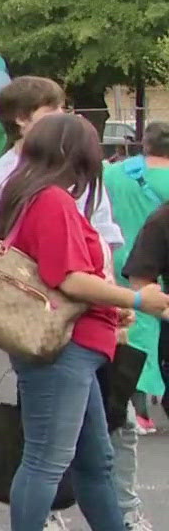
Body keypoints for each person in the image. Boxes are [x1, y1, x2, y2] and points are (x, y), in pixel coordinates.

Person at [0, 113, 169, 531]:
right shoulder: (52, 200)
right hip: (65, 347)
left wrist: (113, 305)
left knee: (94, 459)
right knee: (46, 461)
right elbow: (67, 277)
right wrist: (137, 298)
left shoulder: (27, 193)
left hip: (72, 344)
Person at [0, 77, 123, 258]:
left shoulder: (76, 167)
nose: (61, 115)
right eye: (51, 110)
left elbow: (102, 229)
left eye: (62, 108)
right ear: (22, 118)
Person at [104, 120, 169, 529]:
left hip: (124, 260)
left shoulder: (113, 173)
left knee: (137, 339)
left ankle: (140, 410)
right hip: (152, 269)